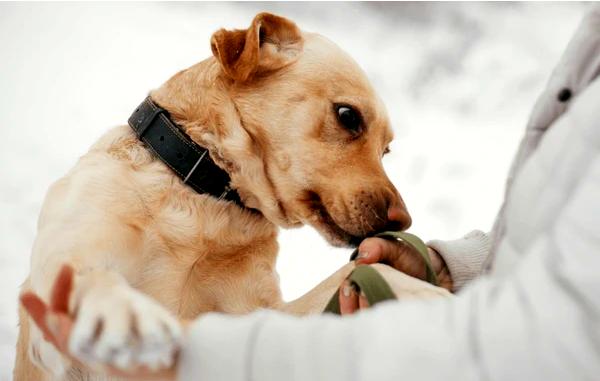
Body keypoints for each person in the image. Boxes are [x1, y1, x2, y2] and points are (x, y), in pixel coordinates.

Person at [22, 5, 600, 380]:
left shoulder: (252, 236)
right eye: (348, 120)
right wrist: (99, 303)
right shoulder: (106, 184)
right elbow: (57, 298)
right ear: (253, 59)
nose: (395, 209)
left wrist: (412, 282)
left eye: (381, 151)